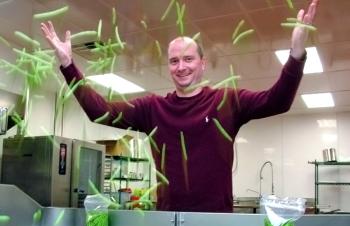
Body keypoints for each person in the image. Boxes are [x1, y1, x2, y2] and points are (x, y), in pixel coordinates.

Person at [41, 0, 318, 213]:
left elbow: (277, 101)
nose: (181, 67)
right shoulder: (151, 109)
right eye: (174, 61)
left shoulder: (226, 102)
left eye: (188, 59)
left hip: (216, 221)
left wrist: (296, 53)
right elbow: (98, 110)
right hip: (168, 220)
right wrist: (68, 65)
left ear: (202, 63)